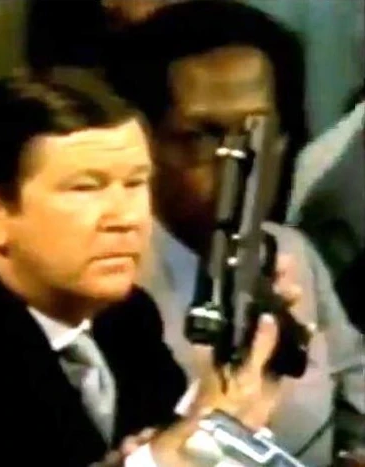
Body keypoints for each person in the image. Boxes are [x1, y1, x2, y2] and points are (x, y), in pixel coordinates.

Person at [0, 67, 303, 467]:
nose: (126, 217)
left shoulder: (127, 318)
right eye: (86, 188)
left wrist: (243, 389)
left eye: (135, 183)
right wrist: (177, 450)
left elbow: (168, 443)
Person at [105, 1, 365, 464]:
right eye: (200, 136)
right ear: (145, 142)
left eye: (257, 133)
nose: (236, 162)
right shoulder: (110, 277)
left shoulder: (292, 252)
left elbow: (355, 395)